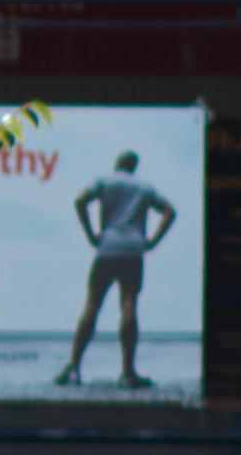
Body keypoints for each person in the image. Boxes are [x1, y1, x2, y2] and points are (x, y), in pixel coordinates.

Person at [54, 146, 181, 390]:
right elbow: (169, 211)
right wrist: (153, 240)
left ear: (117, 164)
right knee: (129, 304)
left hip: (108, 246)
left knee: (93, 304)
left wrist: (91, 233)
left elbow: (80, 200)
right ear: (134, 166)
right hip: (133, 250)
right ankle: (127, 372)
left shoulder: (105, 181)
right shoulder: (144, 187)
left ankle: (74, 367)